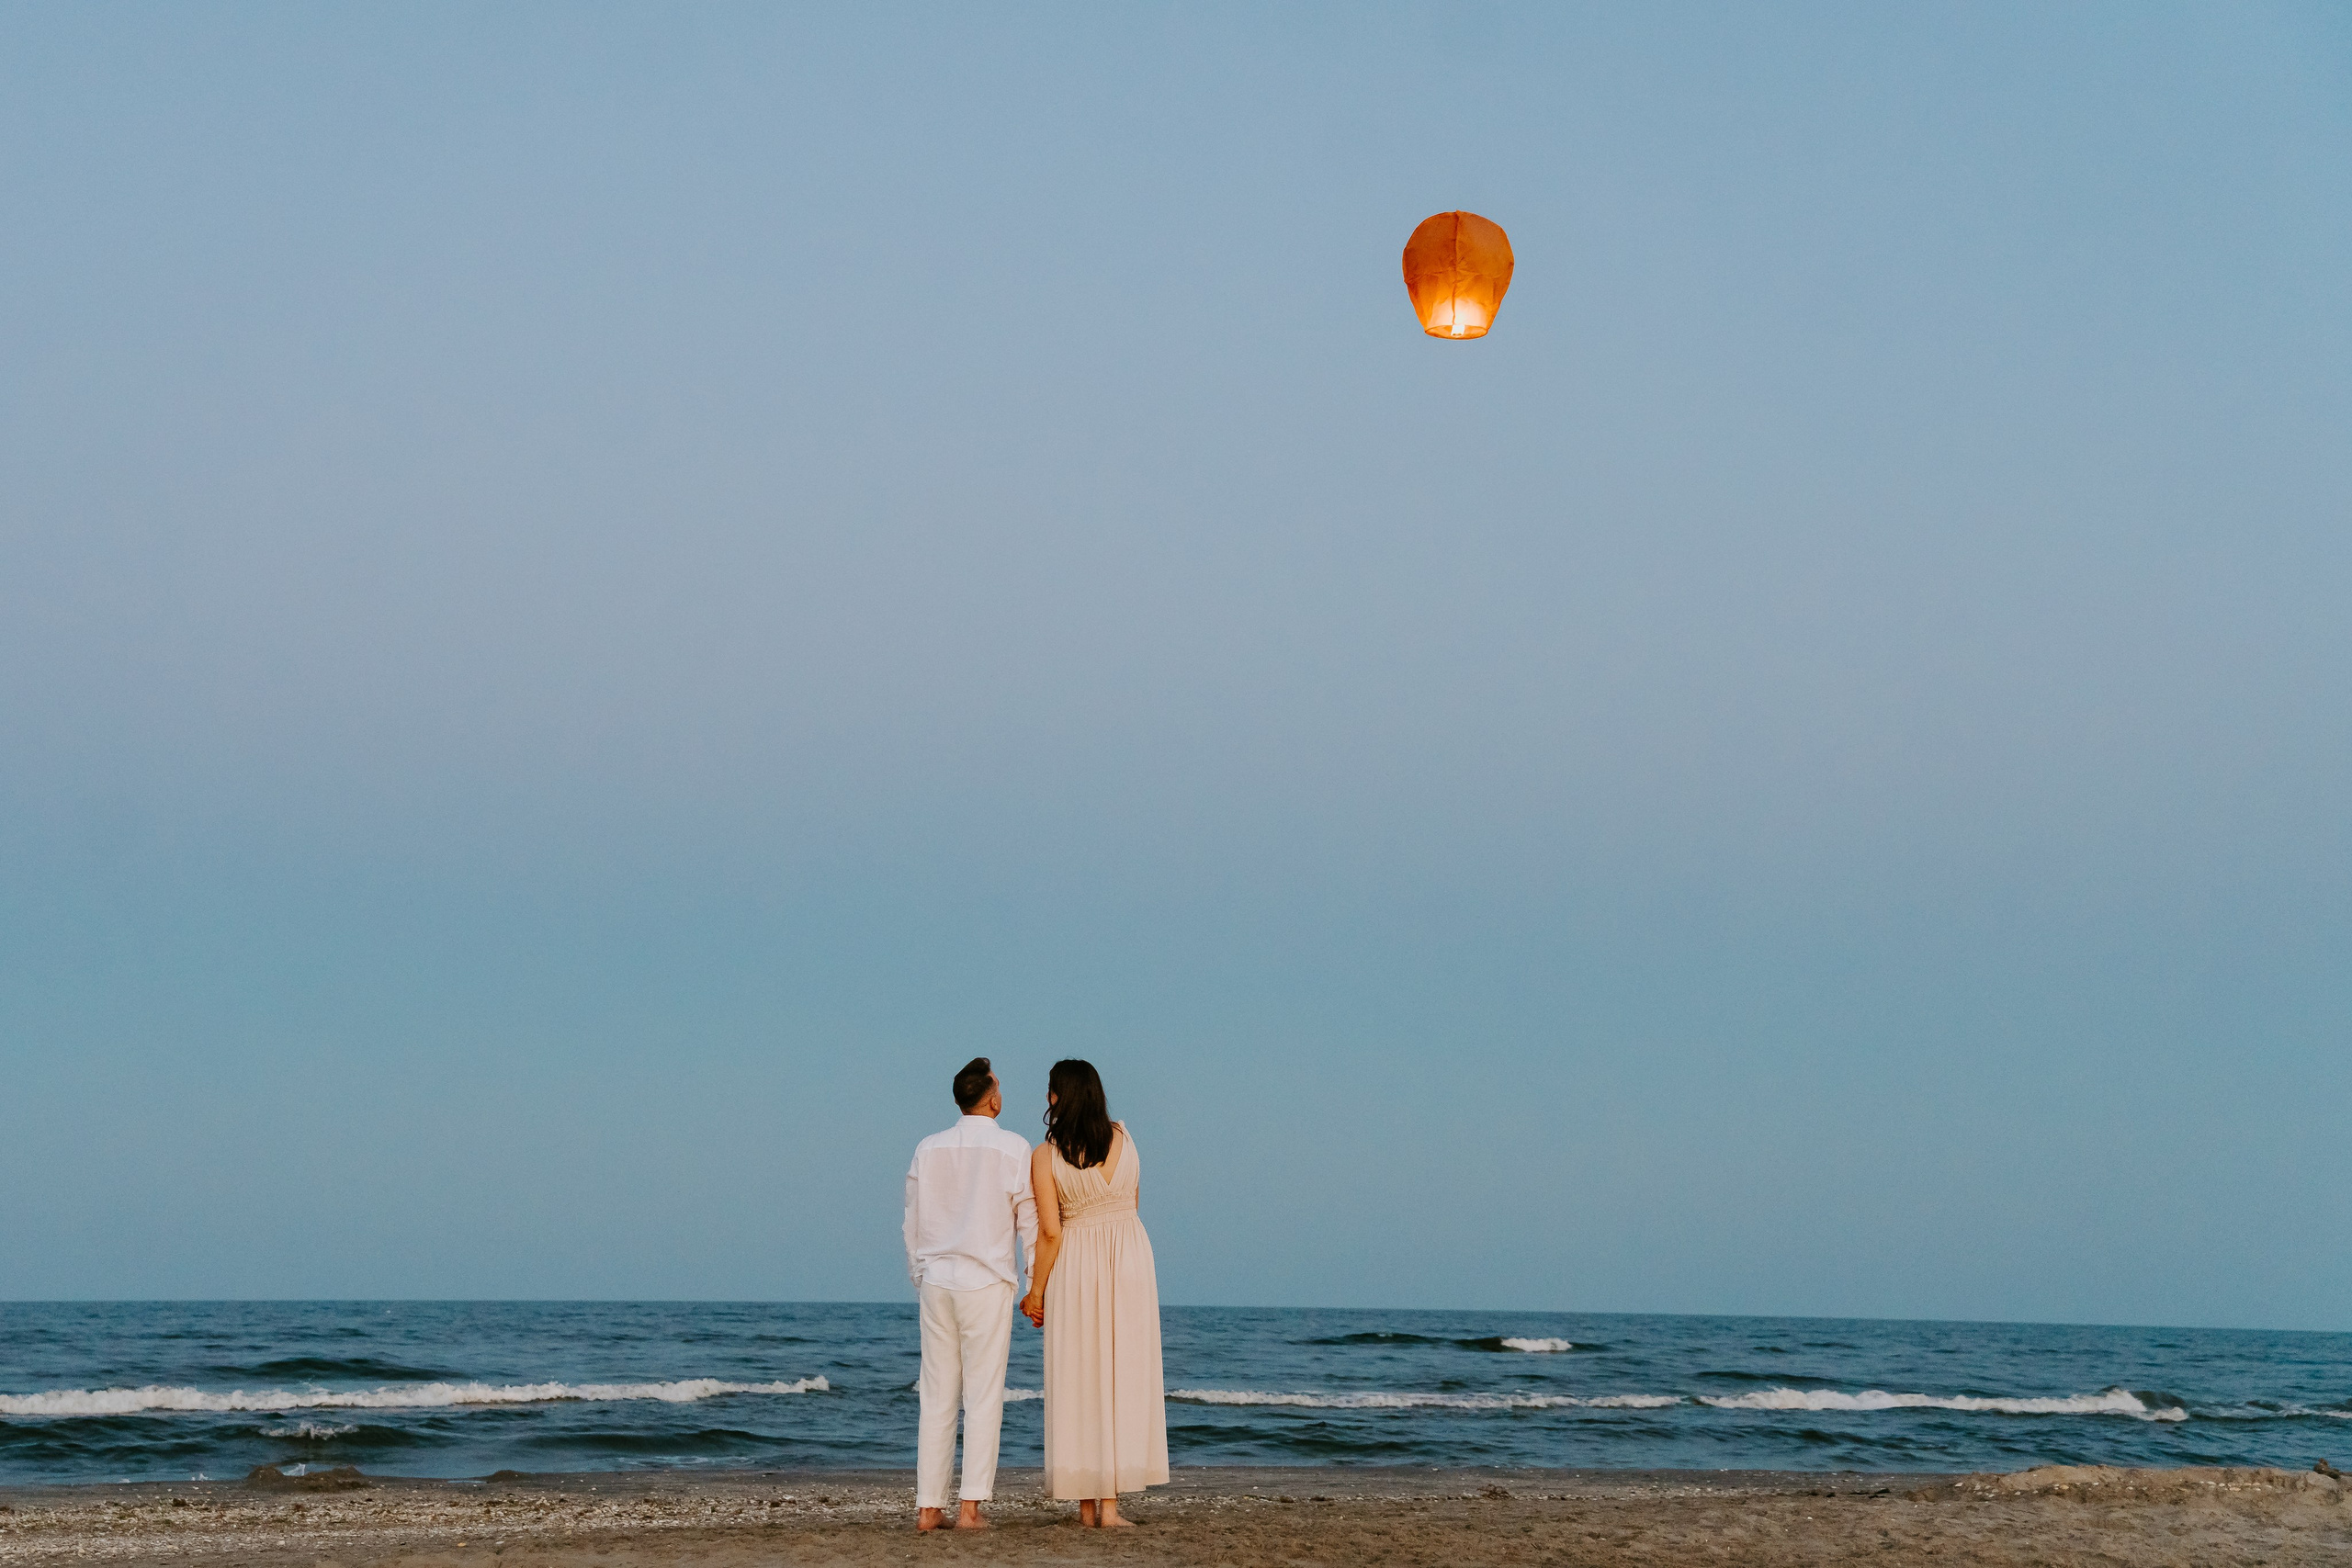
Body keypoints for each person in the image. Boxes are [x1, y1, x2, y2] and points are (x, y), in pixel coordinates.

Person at [1020, 1058, 1168, 1527]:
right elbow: (1134, 1203)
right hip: (1130, 1258)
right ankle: (1108, 1507)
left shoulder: (1046, 1155)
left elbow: (1050, 1231)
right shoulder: (1126, 1138)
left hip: (1078, 1262)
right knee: (1123, 1374)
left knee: (1081, 1376)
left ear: (1056, 1098)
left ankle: (1088, 1504)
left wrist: (1035, 1291)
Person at [903, 1056, 1037, 1531]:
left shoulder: (928, 1148)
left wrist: (921, 1275)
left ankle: (928, 1508)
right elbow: (1028, 1221)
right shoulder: (1013, 1147)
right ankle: (970, 1508)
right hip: (986, 1282)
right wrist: (1035, 1279)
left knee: (937, 1396)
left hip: (938, 1281)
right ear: (992, 1097)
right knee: (983, 1397)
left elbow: (912, 1222)